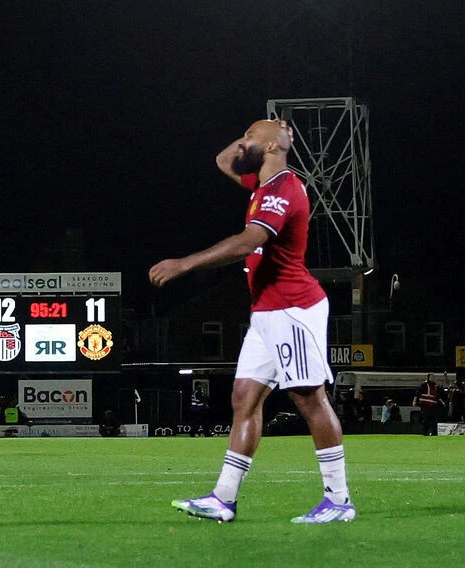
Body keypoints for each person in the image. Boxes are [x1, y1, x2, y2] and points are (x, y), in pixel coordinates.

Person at [150, 118, 355, 524]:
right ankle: (223, 498)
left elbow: (250, 241)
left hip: (292, 308)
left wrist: (184, 263)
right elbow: (223, 159)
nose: (242, 142)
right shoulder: (262, 185)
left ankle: (339, 500)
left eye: (250, 136)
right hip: (266, 312)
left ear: (275, 147)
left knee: (309, 398)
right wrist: (256, 138)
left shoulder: (283, 189)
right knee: (244, 398)